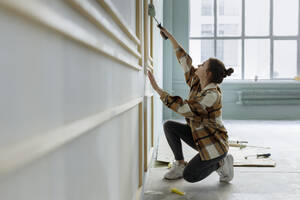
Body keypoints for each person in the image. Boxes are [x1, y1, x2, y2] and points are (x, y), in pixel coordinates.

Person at [147, 26, 234, 183]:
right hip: (200, 136)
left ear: (207, 74)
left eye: (202, 65)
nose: (198, 66)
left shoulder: (212, 96)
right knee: (169, 126)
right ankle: (180, 164)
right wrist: (170, 37)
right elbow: (185, 60)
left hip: (215, 145)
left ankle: (221, 163)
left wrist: (157, 90)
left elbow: (184, 108)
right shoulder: (198, 82)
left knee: (190, 176)